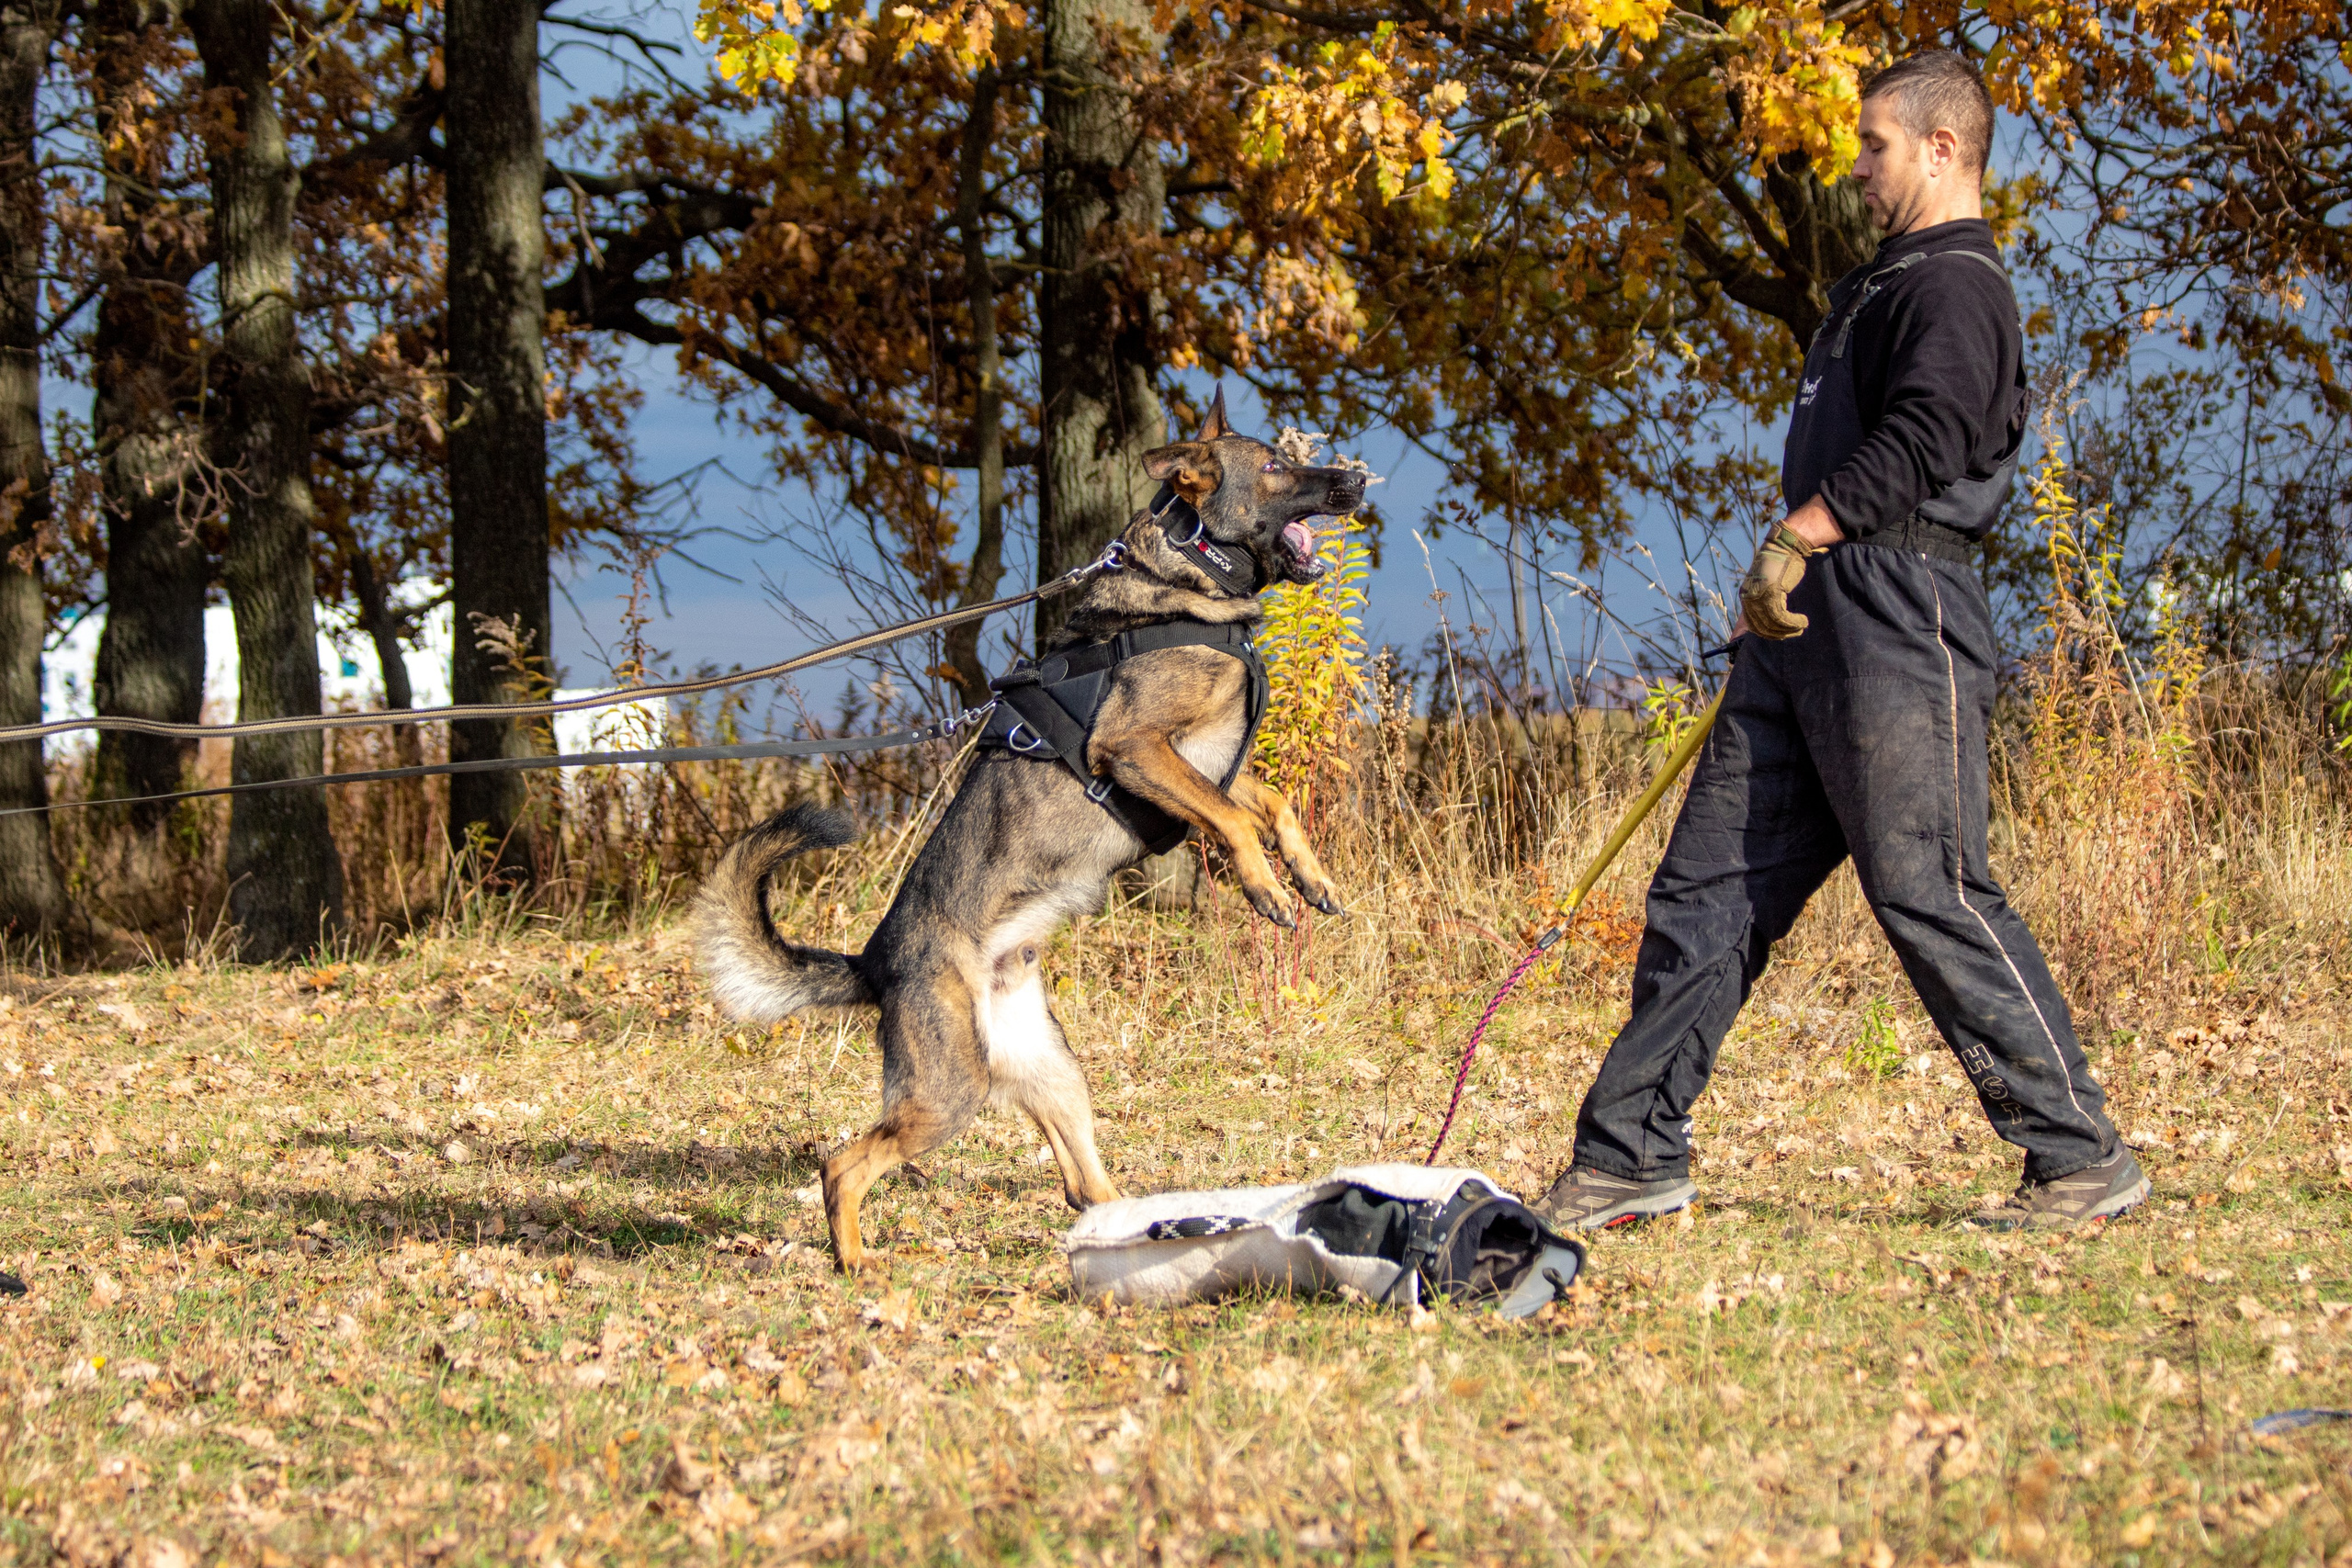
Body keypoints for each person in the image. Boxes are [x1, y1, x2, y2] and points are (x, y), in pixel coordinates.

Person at [1538, 51, 2147, 1233]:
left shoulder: (1959, 285)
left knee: (1930, 885)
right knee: (1708, 887)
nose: (1854, 166)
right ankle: (1629, 1153)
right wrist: (1791, 564)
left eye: (1873, 145)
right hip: (1810, 622)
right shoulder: (1881, 283)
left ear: (1938, 148)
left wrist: (1801, 529)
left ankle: (2076, 1154)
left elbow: (1937, 431)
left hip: (1897, 610)